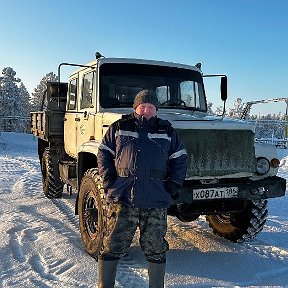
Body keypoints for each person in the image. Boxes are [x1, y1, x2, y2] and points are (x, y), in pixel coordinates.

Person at [97, 89, 187, 288]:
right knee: (112, 244)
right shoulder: (120, 127)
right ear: (135, 108)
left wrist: (173, 184)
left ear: (156, 110)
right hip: (123, 198)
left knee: (156, 247)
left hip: (155, 201)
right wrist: (109, 179)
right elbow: (104, 153)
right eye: (142, 106)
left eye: (150, 107)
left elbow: (180, 159)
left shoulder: (167, 131)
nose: (146, 110)